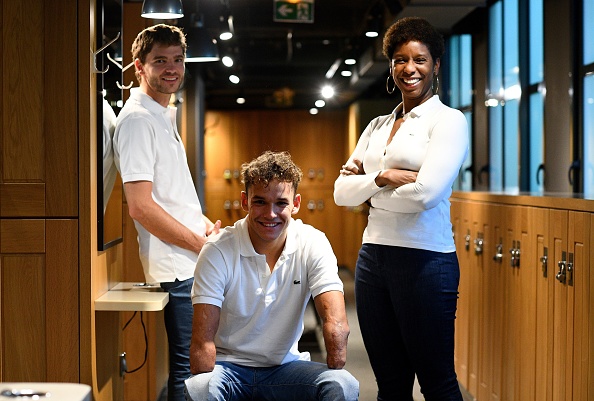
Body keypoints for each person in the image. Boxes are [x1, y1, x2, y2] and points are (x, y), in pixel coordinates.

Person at [333, 17, 468, 401]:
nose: (410, 68)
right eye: (400, 60)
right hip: (374, 260)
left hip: (426, 262)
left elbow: (426, 194)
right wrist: (385, 177)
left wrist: (369, 193)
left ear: (436, 65)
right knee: (390, 384)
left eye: (420, 60)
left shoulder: (448, 121)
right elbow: (341, 194)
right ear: (391, 66)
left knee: (437, 382)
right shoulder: (376, 125)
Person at [185, 151, 359, 401]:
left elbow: (336, 323)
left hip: (287, 369)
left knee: (343, 385)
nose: (270, 214)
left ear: (296, 203)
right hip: (229, 369)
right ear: (245, 201)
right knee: (200, 389)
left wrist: (334, 363)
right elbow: (202, 343)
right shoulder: (217, 251)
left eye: (281, 203)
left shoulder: (314, 243)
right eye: (260, 202)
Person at [113, 24, 221, 401]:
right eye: (160, 61)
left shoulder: (162, 113)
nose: (172, 68)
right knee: (190, 372)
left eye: (178, 59)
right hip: (179, 267)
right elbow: (141, 207)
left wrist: (206, 228)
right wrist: (199, 244)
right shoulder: (139, 121)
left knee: (196, 369)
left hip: (191, 258)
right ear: (139, 67)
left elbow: (173, 196)